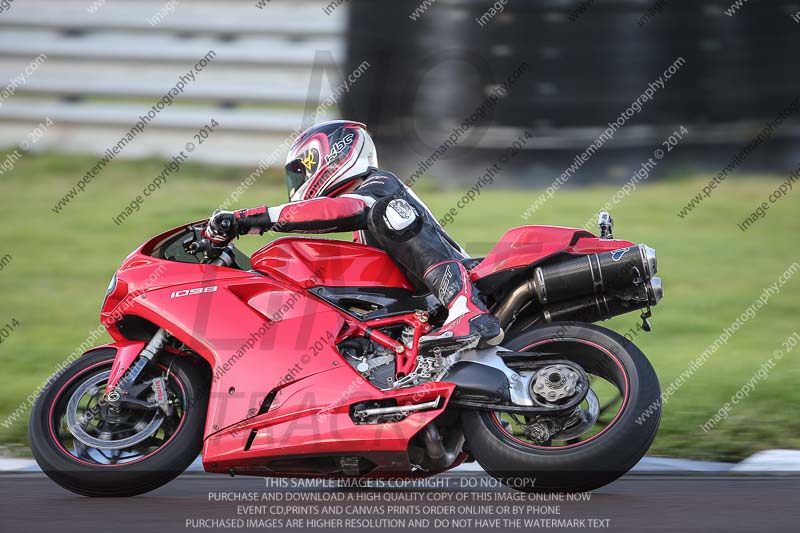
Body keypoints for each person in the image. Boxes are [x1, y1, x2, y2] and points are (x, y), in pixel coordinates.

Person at [204, 120, 503, 351]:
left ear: (329, 155)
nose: (298, 184)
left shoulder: (379, 185)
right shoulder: (362, 228)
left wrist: (255, 218)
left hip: (459, 281)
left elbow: (340, 210)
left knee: (389, 213)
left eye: (300, 171)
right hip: (420, 307)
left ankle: (468, 311)